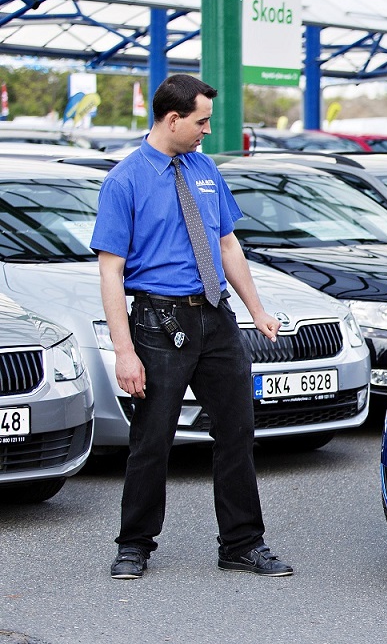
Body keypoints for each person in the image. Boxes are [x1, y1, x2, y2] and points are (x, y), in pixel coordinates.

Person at [92, 74, 292, 580]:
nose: (208, 130)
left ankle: (242, 544)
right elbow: (111, 271)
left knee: (237, 431)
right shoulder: (125, 180)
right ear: (173, 118)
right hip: (159, 323)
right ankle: (134, 544)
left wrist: (256, 309)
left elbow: (227, 246)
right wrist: (124, 351)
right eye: (201, 121)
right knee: (153, 438)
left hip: (215, 315)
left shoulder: (205, 169)